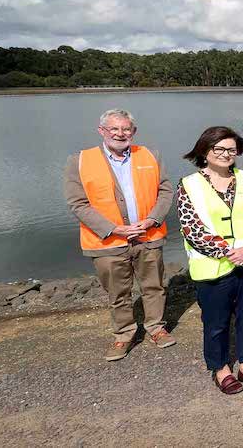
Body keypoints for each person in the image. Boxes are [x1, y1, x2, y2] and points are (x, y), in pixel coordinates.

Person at [64, 109, 176, 362]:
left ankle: (156, 328)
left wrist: (152, 219)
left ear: (133, 132)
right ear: (101, 131)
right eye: (114, 129)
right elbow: (77, 203)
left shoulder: (150, 155)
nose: (120, 133)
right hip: (106, 241)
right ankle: (124, 334)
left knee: (154, 286)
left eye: (126, 129)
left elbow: (166, 191)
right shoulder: (79, 161)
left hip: (148, 236)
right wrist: (114, 228)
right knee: (118, 293)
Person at [178, 126, 243, 394]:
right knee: (216, 322)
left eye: (231, 149)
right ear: (205, 151)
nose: (225, 154)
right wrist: (228, 252)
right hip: (213, 268)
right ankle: (221, 370)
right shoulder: (189, 185)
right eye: (218, 149)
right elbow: (192, 228)